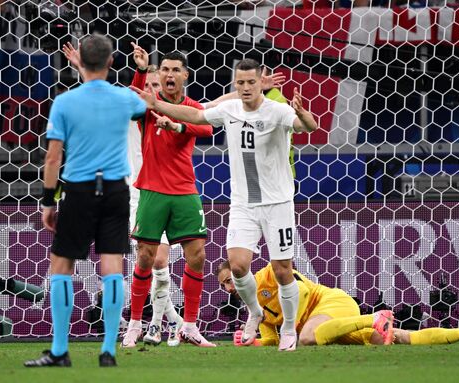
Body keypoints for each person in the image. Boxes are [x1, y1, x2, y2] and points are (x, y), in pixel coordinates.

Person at [133, 58, 319, 351]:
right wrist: (157, 105)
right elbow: (194, 115)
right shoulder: (230, 109)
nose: (246, 88)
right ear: (236, 84)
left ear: (261, 82)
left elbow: (306, 126)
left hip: (278, 202)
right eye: (241, 83)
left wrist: (304, 114)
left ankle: (287, 328)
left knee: (282, 270)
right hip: (244, 203)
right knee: (237, 265)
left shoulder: (278, 111)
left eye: (251, 82)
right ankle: (255, 312)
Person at [24, 33, 147, 368]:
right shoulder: (124, 99)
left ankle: (60, 350)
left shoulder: (65, 102)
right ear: (110, 62)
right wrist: (96, 73)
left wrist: (49, 202)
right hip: (116, 190)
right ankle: (108, 350)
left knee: (61, 266)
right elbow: (142, 106)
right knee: (112, 268)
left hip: (78, 189)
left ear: (78, 61)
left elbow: (52, 158)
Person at [122, 46, 217, 348]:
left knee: (198, 256)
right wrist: (139, 70)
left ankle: (189, 325)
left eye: (175, 70)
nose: (169, 74)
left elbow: (207, 127)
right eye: (164, 69)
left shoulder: (190, 106)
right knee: (146, 258)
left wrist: (175, 124)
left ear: (185, 75)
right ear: (158, 74)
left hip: (184, 191)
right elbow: (133, 105)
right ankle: (135, 324)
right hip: (151, 190)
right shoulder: (149, 107)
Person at [216, 260, 459, 347]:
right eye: (224, 285)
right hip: (330, 323)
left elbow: (298, 288)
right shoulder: (254, 309)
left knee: (308, 337)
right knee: (391, 339)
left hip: (329, 303)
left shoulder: (266, 274)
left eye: (231, 279)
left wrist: (294, 324)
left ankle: (372, 317)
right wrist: (254, 342)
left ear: (243, 272)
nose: (230, 287)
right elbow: (271, 339)